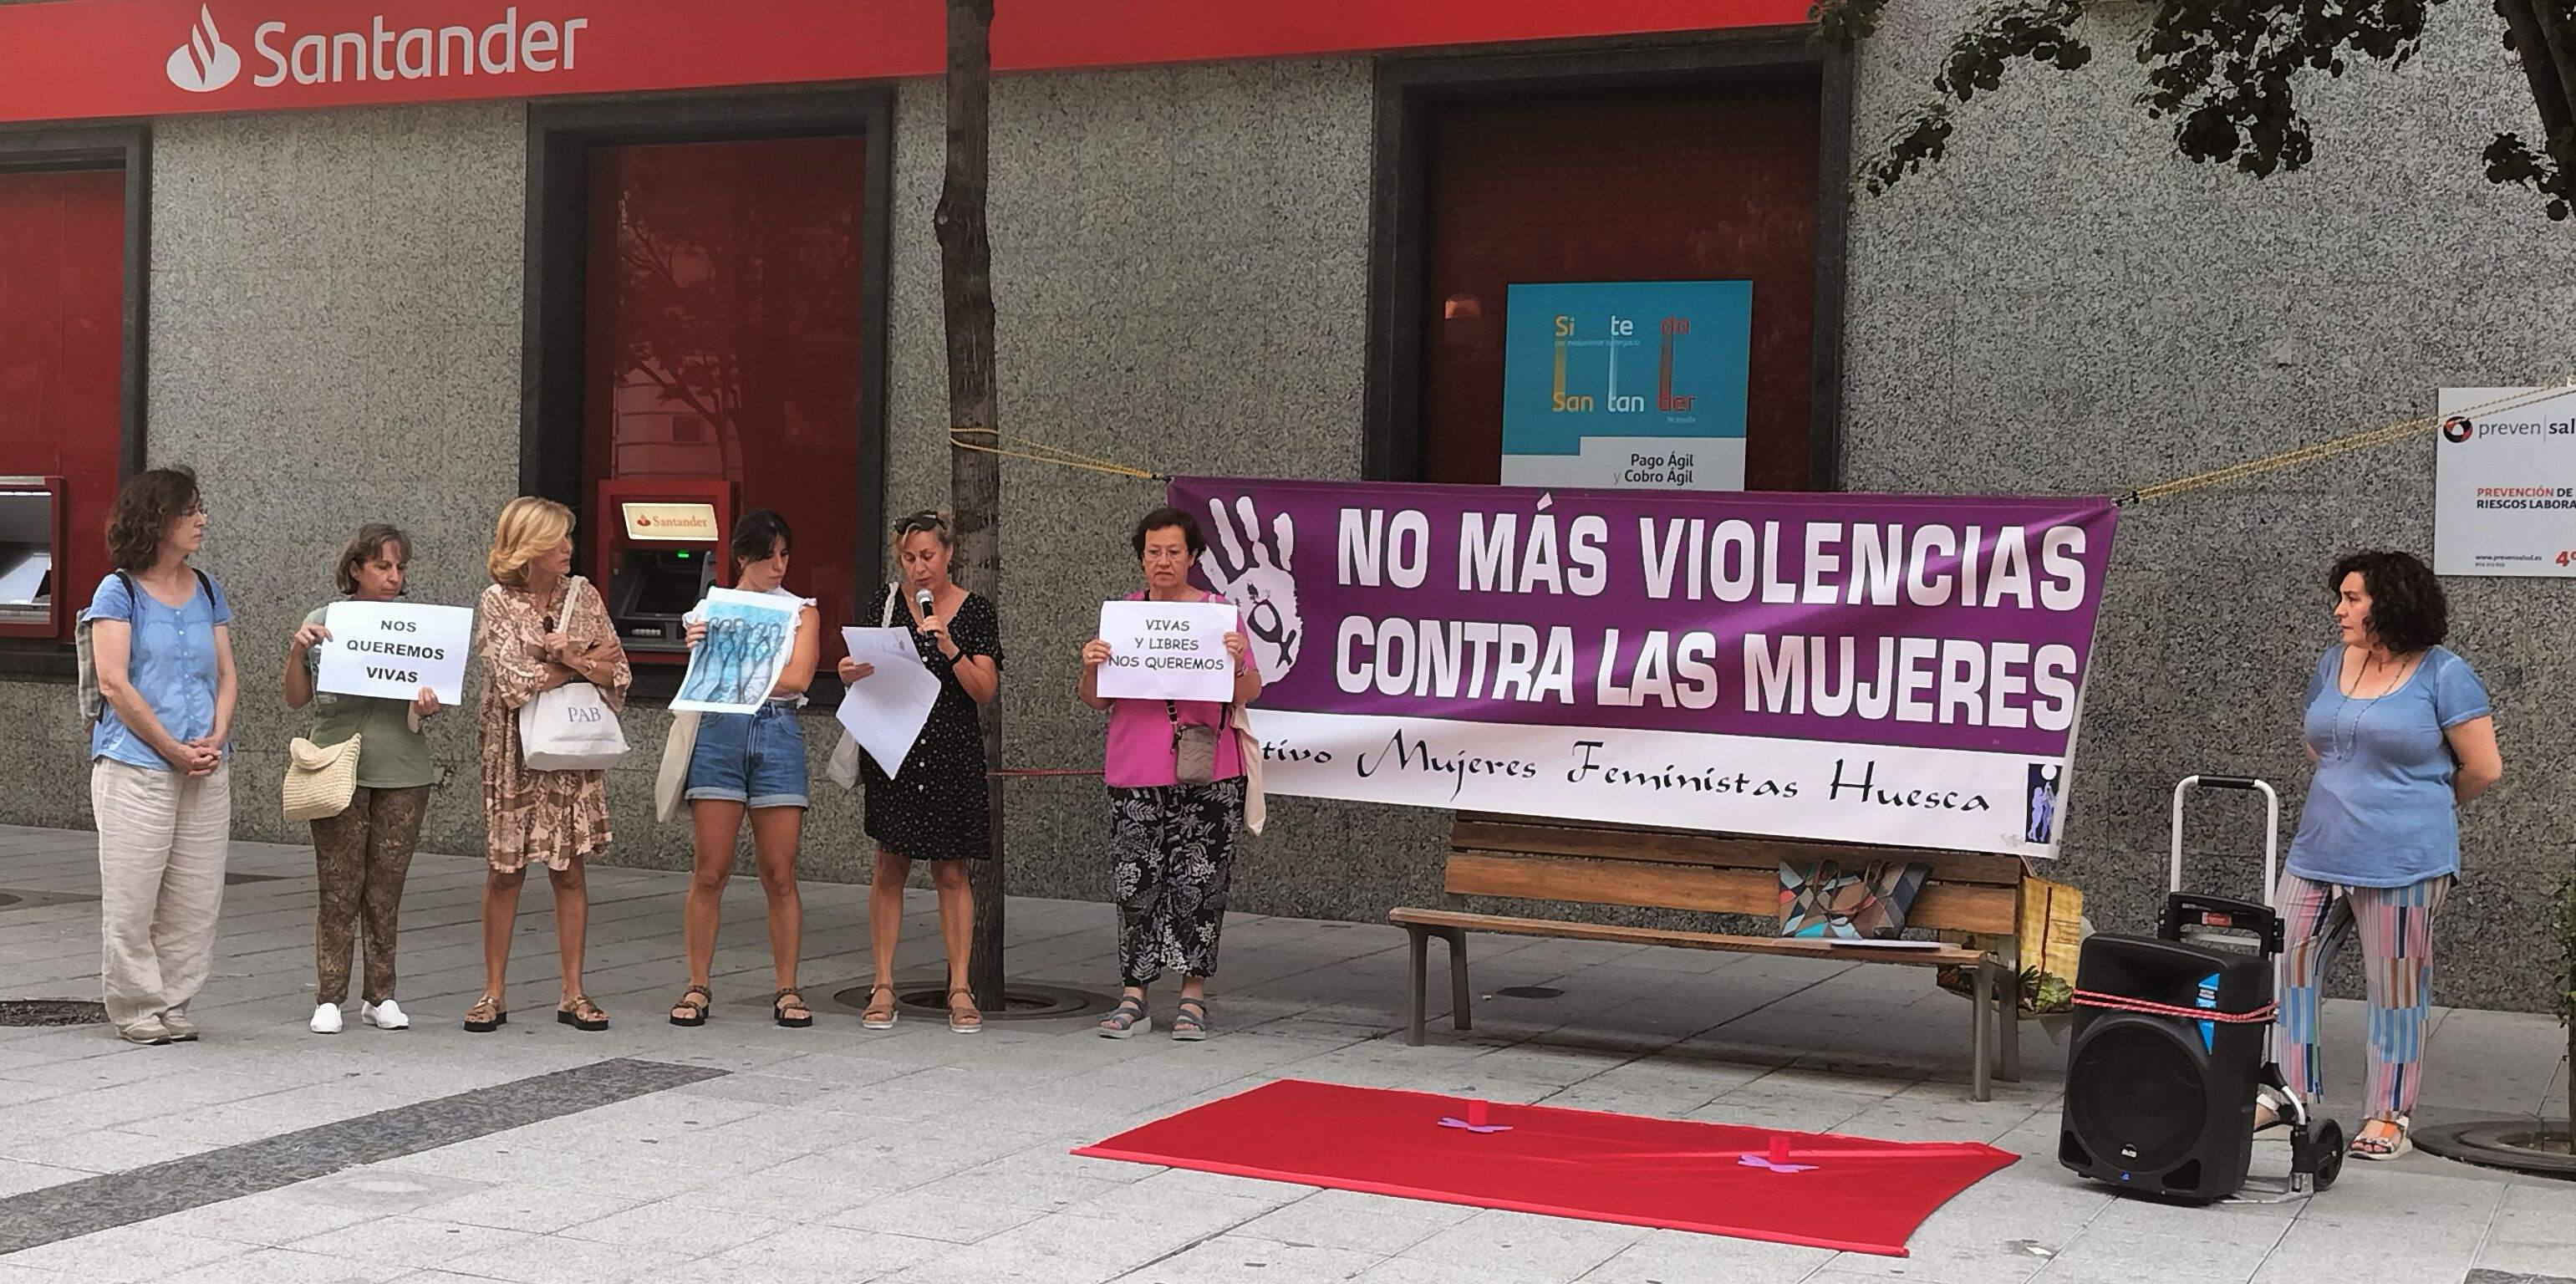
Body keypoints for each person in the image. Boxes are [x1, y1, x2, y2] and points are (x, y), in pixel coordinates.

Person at [2260, 549, 2500, 1161]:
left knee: (2394, 987)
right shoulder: (2334, 662)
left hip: (2405, 861)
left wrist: (2416, 806)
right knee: (2287, 966)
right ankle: (2289, 1092)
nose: (2339, 610)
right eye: (2339, 597)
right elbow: (2323, 742)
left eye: (2352, 598)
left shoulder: (2445, 675)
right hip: (2318, 850)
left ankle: (2389, 1115)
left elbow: (2483, 769)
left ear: (2390, 604)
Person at [1079, 506, 1263, 1041]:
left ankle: (1192, 994)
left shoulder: (1219, 615)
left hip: (1208, 766)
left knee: (1201, 880)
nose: (1163, 561)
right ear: (1141, 557)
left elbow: (1250, 691)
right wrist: (1091, 664)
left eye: (1174, 552)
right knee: (1136, 879)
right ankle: (1133, 993)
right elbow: (1095, 699)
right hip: (1135, 765)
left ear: (1194, 556)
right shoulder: (1124, 616)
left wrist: (1237, 663)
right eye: (1154, 552)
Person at [84, 467, 237, 1046]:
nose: (200, 520)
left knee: (196, 895)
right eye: (189, 510)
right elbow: (114, 683)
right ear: (157, 520)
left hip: (204, 763)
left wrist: (216, 736)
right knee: (133, 893)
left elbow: (226, 674)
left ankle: (175, 1000)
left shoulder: (207, 587)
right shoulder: (117, 592)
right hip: (136, 765)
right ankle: (136, 1006)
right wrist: (171, 748)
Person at [470, 497, 631, 1034]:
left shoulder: (582, 595)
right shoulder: (496, 601)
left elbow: (620, 672)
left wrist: (569, 659)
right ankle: (492, 992)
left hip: (570, 750)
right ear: (528, 546)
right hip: (515, 750)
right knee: (505, 872)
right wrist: (578, 663)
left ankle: (574, 992)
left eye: (569, 538)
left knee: (570, 869)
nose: (569, 548)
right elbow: (512, 682)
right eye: (558, 539)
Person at [836, 511, 1001, 1033]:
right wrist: (847, 674)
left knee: (951, 870)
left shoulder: (975, 611)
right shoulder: (884, 607)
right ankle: (883, 984)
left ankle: (960, 987)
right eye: (909, 558)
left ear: (949, 553)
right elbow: (866, 675)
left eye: (928, 556)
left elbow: (984, 690)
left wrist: (948, 644)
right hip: (895, 748)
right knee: (890, 865)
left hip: (951, 750)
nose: (919, 568)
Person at [283, 524, 441, 1035]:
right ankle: (330, 996)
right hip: (336, 766)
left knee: (386, 888)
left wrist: (428, 703)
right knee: (338, 884)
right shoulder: (324, 620)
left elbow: (433, 688)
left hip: (403, 768)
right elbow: (294, 699)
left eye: (400, 568)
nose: (394, 578)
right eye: (382, 567)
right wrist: (296, 652)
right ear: (356, 569)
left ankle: (382, 994)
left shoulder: (419, 627)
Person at [670, 510, 822, 1029]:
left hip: (776, 730)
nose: (779, 565)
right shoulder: (711, 608)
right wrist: (700, 650)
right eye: (768, 555)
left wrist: (727, 667)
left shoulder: (800, 610)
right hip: (721, 729)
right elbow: (703, 673)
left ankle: (787, 986)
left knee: (780, 871)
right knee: (710, 868)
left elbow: (799, 677)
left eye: (785, 554)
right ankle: (697, 983)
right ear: (742, 557)